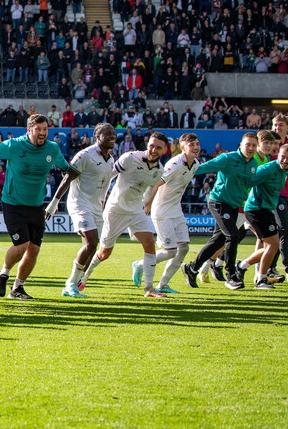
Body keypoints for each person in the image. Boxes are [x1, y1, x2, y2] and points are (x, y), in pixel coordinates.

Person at [0, 114, 75, 300]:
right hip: (13, 203)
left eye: (45, 130)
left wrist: (55, 200)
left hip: (37, 205)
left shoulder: (52, 148)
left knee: (34, 249)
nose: (42, 133)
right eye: (38, 130)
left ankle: (17, 288)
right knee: (22, 245)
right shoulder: (14, 146)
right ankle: (3, 274)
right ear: (29, 130)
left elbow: (68, 170)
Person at [80, 132, 169, 298]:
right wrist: (101, 198)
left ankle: (149, 288)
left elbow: (150, 189)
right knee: (104, 254)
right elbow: (109, 176)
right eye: (151, 145)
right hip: (116, 210)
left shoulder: (159, 170)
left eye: (158, 147)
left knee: (149, 243)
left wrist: (147, 204)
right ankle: (84, 276)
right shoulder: (130, 157)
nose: (153, 150)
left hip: (136, 211)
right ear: (147, 144)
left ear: (165, 150)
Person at [45, 123, 116, 298]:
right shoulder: (85, 155)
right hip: (79, 203)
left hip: (95, 206)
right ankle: (70, 283)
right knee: (91, 242)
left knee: (92, 246)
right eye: (108, 134)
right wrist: (54, 202)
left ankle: (75, 282)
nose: (112, 136)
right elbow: (68, 178)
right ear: (97, 137)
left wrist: (102, 202)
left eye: (113, 133)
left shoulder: (111, 160)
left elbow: (105, 185)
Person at [181, 133, 260, 291]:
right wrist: (178, 171)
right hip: (218, 202)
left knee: (218, 241)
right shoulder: (227, 158)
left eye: (253, 145)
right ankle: (231, 275)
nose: (250, 148)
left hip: (234, 205)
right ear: (240, 145)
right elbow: (200, 169)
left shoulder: (254, 165)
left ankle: (192, 268)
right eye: (247, 144)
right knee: (233, 235)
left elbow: (248, 185)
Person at [236, 144, 288, 289]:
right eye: (283, 157)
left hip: (266, 210)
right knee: (273, 245)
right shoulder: (267, 169)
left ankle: (242, 266)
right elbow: (247, 182)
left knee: (270, 246)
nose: (285, 160)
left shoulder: (287, 171)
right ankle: (261, 280)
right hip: (256, 209)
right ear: (278, 155)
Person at [147, 133, 201, 293]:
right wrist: (147, 205)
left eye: (197, 144)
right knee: (170, 251)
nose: (196, 147)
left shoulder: (196, 163)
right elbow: (156, 183)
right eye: (192, 145)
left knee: (183, 248)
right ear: (183, 147)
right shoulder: (175, 164)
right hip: (162, 211)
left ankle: (163, 284)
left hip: (176, 210)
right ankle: (141, 264)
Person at [270, 114, 288, 282]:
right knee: (283, 230)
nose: (277, 128)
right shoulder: (268, 143)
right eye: (275, 124)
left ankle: (269, 268)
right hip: (272, 194)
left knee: (277, 232)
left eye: (281, 125)